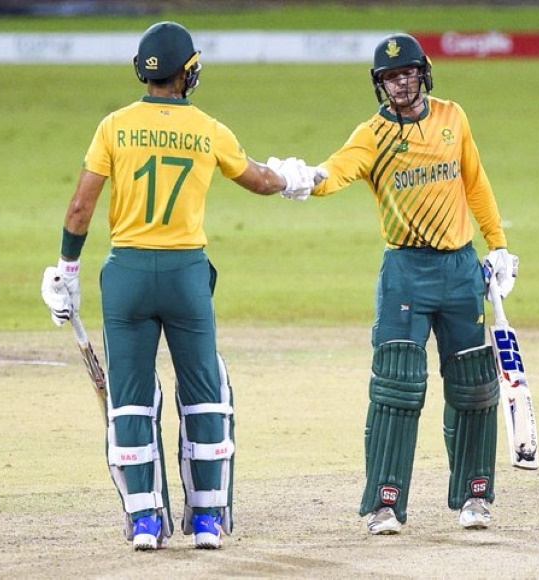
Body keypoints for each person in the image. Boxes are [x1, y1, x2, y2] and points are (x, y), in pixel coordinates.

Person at [40, 21, 324, 551]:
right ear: (186, 73)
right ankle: (208, 520)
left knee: (129, 399)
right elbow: (259, 180)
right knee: (205, 393)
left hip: (126, 276)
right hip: (186, 276)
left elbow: (80, 208)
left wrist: (65, 271)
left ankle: (145, 522)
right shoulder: (208, 129)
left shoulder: (113, 126)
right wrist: (293, 178)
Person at [280, 33, 518, 532]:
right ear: (380, 84)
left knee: (473, 386)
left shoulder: (453, 117)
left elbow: (475, 181)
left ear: (423, 73)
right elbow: (339, 170)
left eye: (407, 73)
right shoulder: (373, 134)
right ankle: (384, 504)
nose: (401, 84)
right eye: (390, 77)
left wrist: (496, 245)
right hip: (406, 271)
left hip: (460, 268)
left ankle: (474, 496)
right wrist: (307, 179)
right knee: (397, 386)